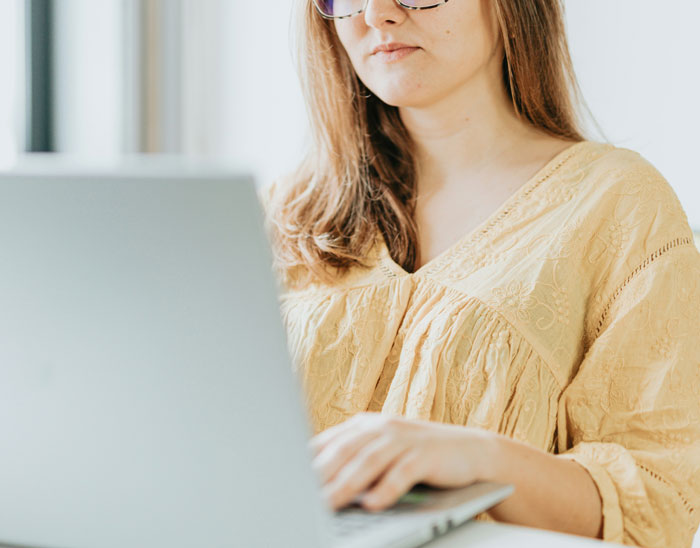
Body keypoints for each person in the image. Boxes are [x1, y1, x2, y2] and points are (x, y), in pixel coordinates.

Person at [260, 0, 700, 545]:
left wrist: (479, 458)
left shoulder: (619, 206)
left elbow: (657, 508)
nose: (375, 14)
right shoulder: (282, 217)